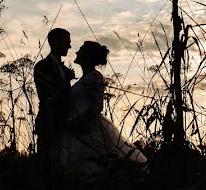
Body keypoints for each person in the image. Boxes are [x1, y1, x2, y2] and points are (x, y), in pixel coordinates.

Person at [57, 40, 147, 176]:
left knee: (90, 164)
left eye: (80, 50)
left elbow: (97, 106)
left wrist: (79, 122)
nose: (76, 52)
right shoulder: (83, 78)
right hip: (74, 127)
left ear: (87, 55)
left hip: (86, 127)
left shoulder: (95, 77)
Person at [34, 28, 75, 168]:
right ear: (55, 43)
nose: (69, 46)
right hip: (49, 121)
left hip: (65, 123)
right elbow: (46, 96)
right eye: (66, 43)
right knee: (47, 163)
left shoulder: (64, 70)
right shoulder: (41, 66)